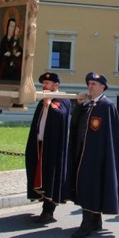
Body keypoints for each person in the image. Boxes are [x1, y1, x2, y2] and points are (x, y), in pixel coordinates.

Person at [68, 72, 119, 238]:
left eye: (94, 84)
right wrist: (79, 106)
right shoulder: (88, 105)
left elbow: (110, 137)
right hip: (83, 154)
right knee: (86, 186)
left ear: (102, 87)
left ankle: (87, 224)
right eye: (89, 83)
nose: (90, 86)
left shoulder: (107, 106)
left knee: (91, 187)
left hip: (98, 157)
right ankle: (95, 220)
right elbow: (75, 125)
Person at [25, 72, 72, 223]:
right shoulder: (42, 101)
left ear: (56, 86)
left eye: (47, 83)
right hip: (40, 145)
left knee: (50, 177)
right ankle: (41, 201)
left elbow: (61, 116)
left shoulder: (63, 99)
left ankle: (48, 210)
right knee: (39, 176)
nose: (44, 86)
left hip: (53, 148)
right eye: (43, 83)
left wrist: (49, 105)